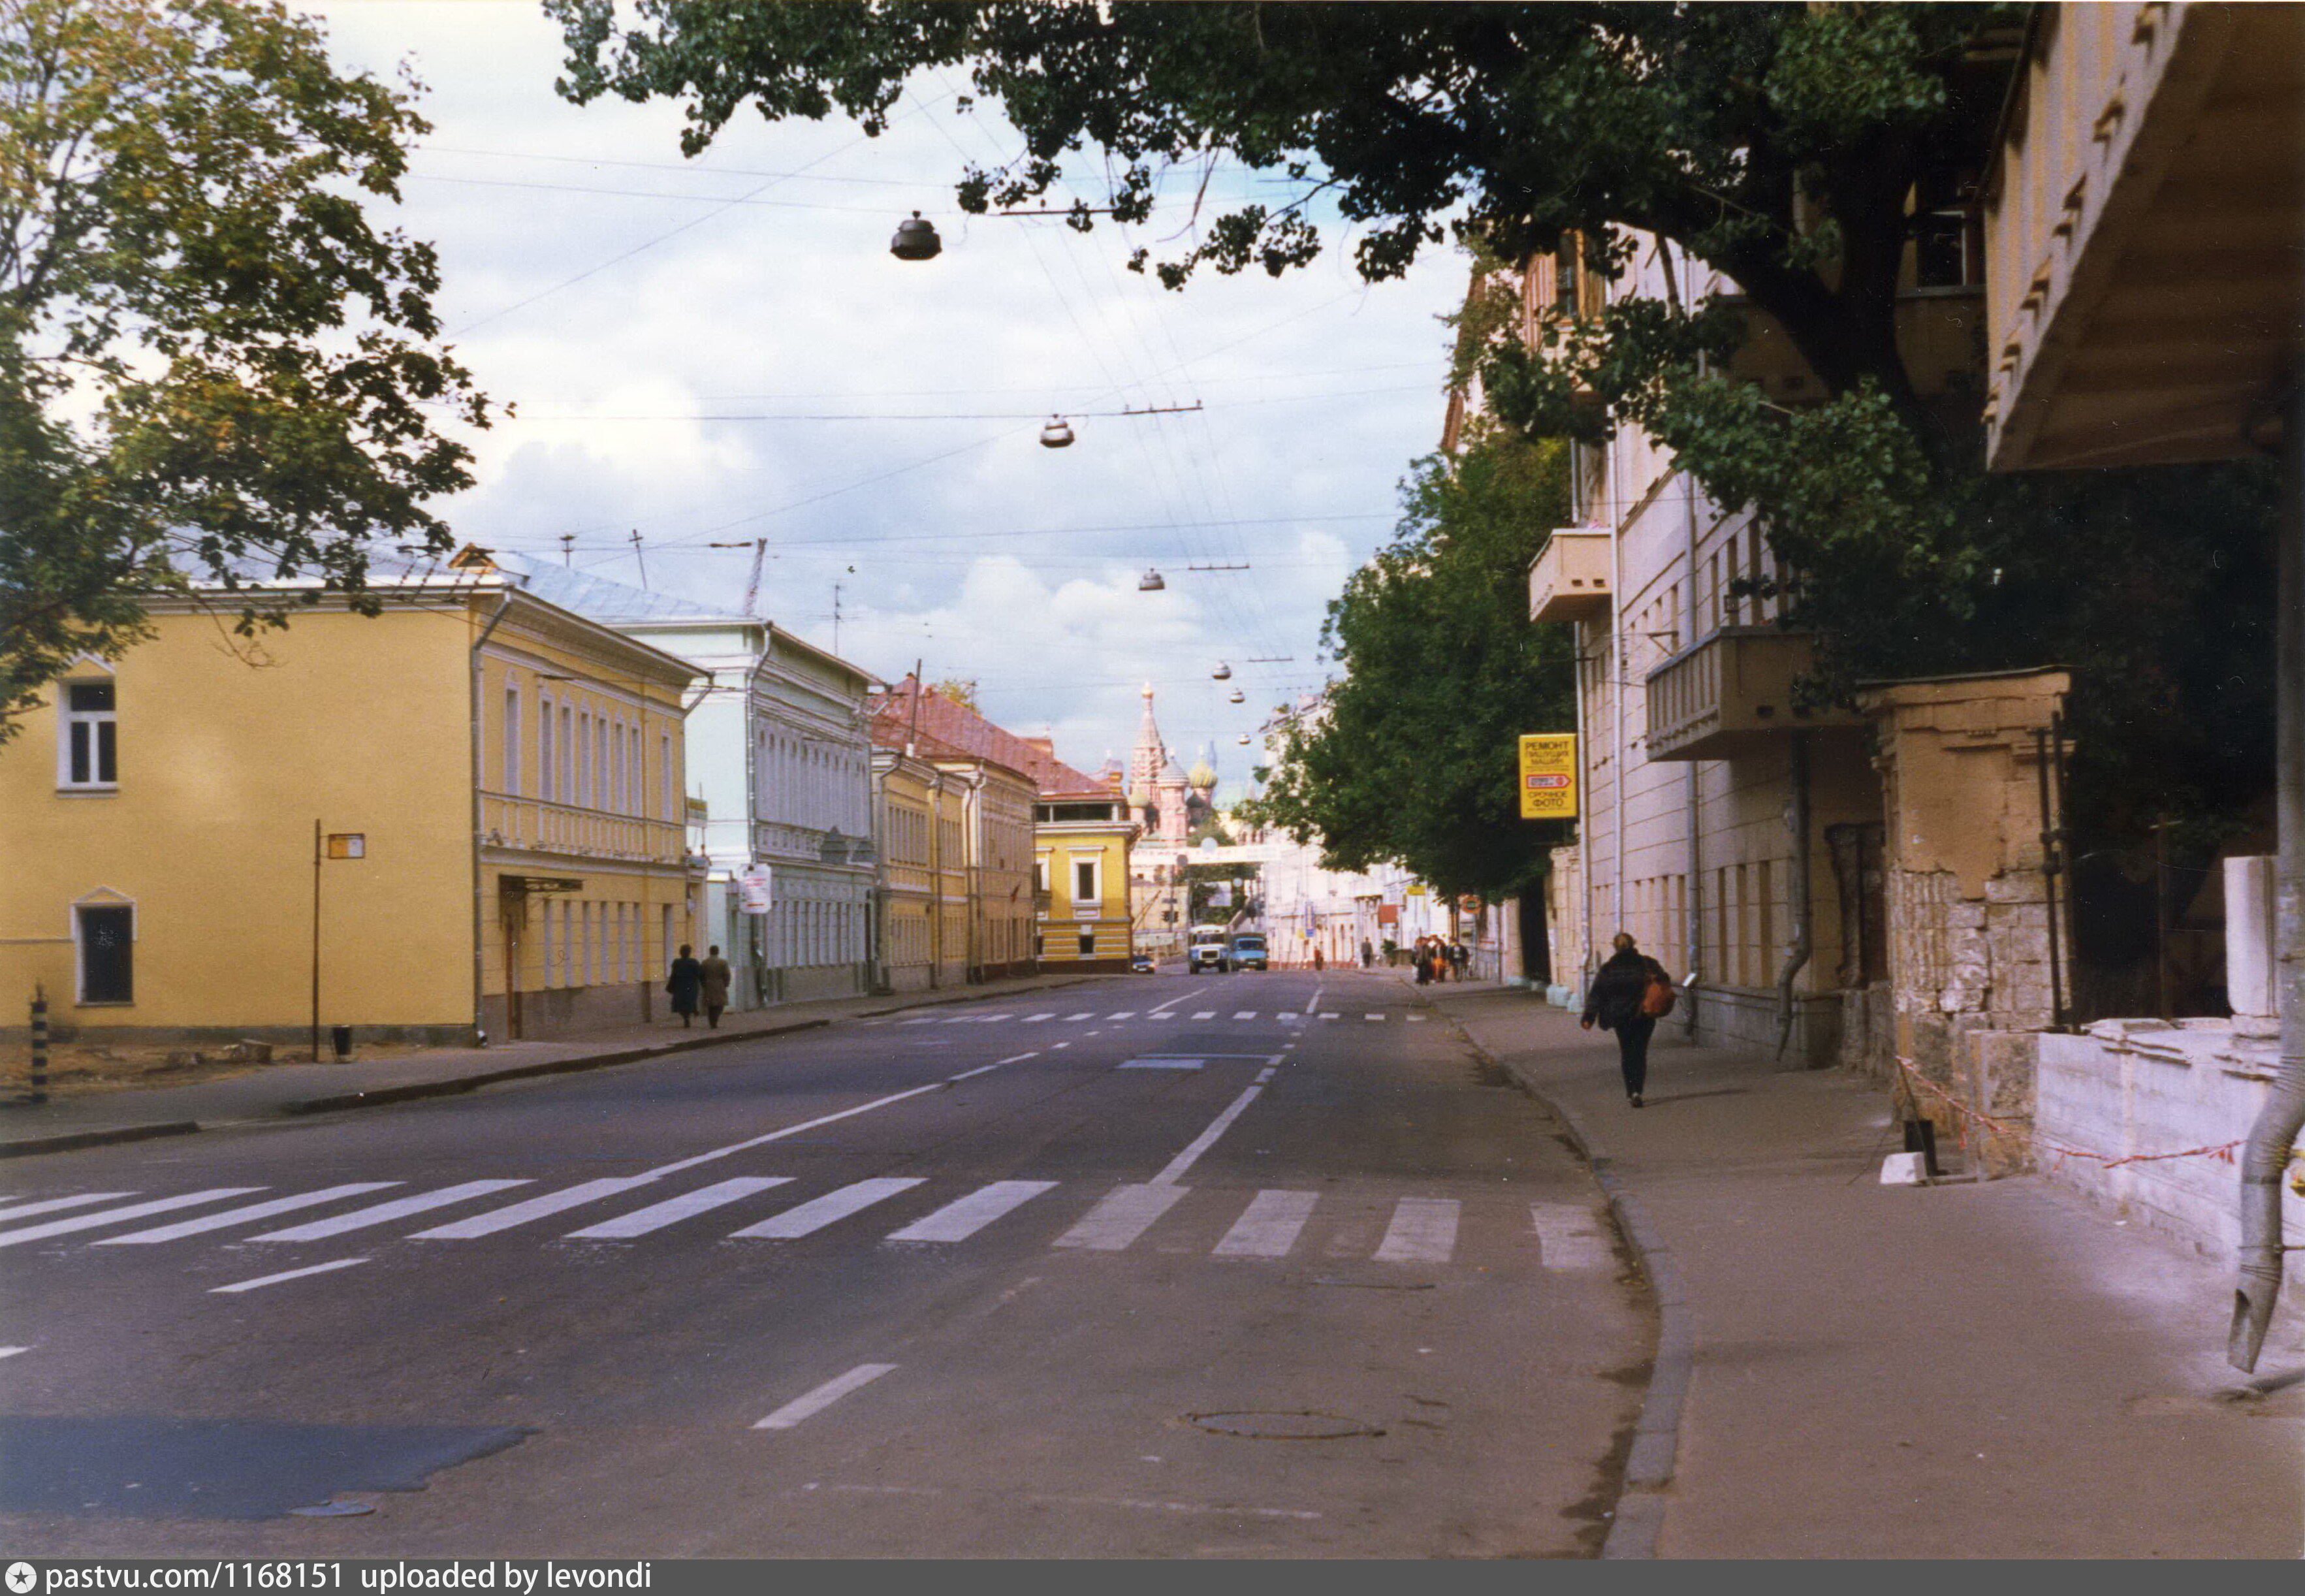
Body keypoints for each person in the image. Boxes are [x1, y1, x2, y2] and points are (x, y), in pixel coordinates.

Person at [1582, 932, 1671, 1107]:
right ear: (1634, 944)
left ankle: (1631, 1092)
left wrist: (1589, 1017)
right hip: (1644, 1014)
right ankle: (1638, 1090)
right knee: (1640, 1052)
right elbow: (1664, 981)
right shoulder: (1648, 963)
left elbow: (1597, 994)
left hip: (1620, 1016)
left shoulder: (1609, 968)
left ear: (1615, 946)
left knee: (1627, 1053)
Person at [666, 943, 703, 1028]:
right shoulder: (694, 962)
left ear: (681, 952)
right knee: (690, 1001)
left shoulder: (677, 963)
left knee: (681, 1003)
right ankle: (690, 1014)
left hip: (680, 986)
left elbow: (673, 975)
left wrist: (671, 986)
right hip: (692, 986)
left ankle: (686, 1017)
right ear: (689, 952)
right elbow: (699, 974)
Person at [699, 944, 733, 1030]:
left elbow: (701, 975)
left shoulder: (705, 962)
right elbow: (727, 975)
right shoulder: (723, 962)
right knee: (720, 1004)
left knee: (711, 1005)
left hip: (709, 984)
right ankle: (715, 1020)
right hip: (719, 984)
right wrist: (726, 984)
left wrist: (703, 984)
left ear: (710, 952)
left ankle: (712, 1021)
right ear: (718, 952)